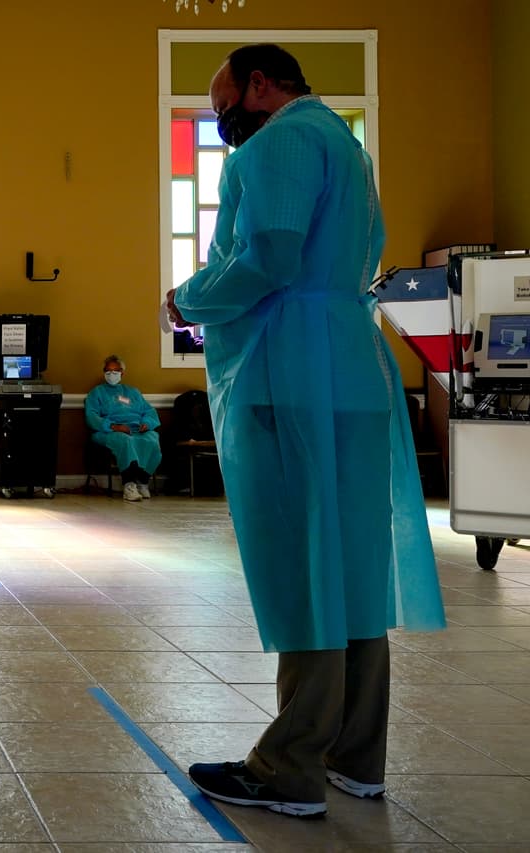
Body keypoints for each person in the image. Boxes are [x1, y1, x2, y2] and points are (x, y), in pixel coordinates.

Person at [165, 44, 446, 818]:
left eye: (225, 108)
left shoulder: (284, 139)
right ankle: (355, 753)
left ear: (262, 85)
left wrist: (185, 300)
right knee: (353, 559)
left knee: (304, 560)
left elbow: (269, 260)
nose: (225, 126)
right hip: (350, 373)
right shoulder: (346, 147)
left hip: (292, 372)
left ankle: (290, 765)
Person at [84, 355, 161, 501]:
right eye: (108, 371)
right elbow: (91, 417)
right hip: (108, 431)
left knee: (152, 439)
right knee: (125, 441)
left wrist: (147, 423)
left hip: (136, 429)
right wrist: (114, 426)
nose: (111, 374)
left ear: (122, 373)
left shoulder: (133, 392)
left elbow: (149, 411)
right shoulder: (97, 393)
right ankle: (129, 485)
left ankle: (143, 481)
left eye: (115, 371)